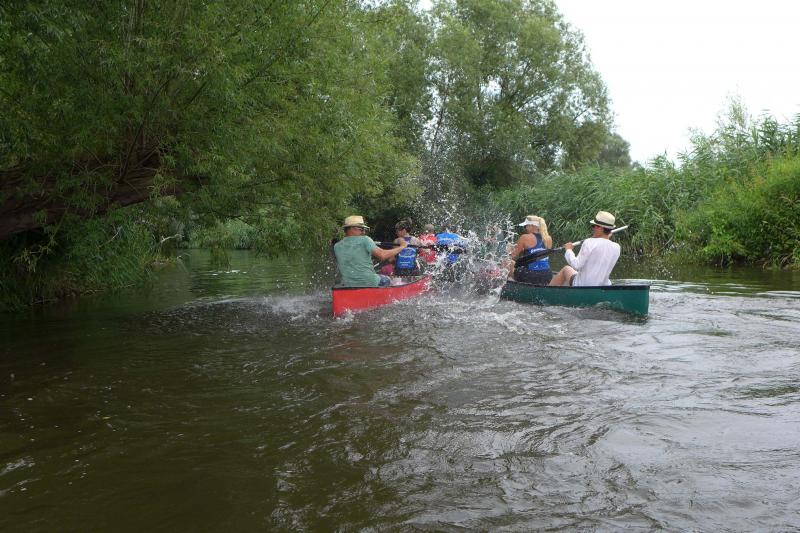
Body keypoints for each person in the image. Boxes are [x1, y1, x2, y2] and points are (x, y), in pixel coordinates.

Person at [549, 211, 620, 287]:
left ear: (601, 228)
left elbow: (576, 265)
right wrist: (604, 236)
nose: (593, 228)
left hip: (583, 285)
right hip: (604, 285)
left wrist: (568, 250)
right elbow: (603, 244)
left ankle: (547, 291)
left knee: (566, 269)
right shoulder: (617, 247)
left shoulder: (589, 242)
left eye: (594, 226)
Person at [333, 215, 406, 287]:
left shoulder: (337, 246)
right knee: (388, 279)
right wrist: (402, 247)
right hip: (369, 282)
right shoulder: (365, 240)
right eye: (361, 229)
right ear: (352, 228)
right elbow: (382, 255)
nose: (363, 232)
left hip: (348, 284)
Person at [510, 215, 553, 285]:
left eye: (526, 226)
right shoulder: (548, 238)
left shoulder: (524, 237)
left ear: (532, 226)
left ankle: (507, 285)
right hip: (547, 275)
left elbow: (513, 256)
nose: (525, 228)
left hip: (530, 275)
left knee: (508, 262)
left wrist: (509, 249)